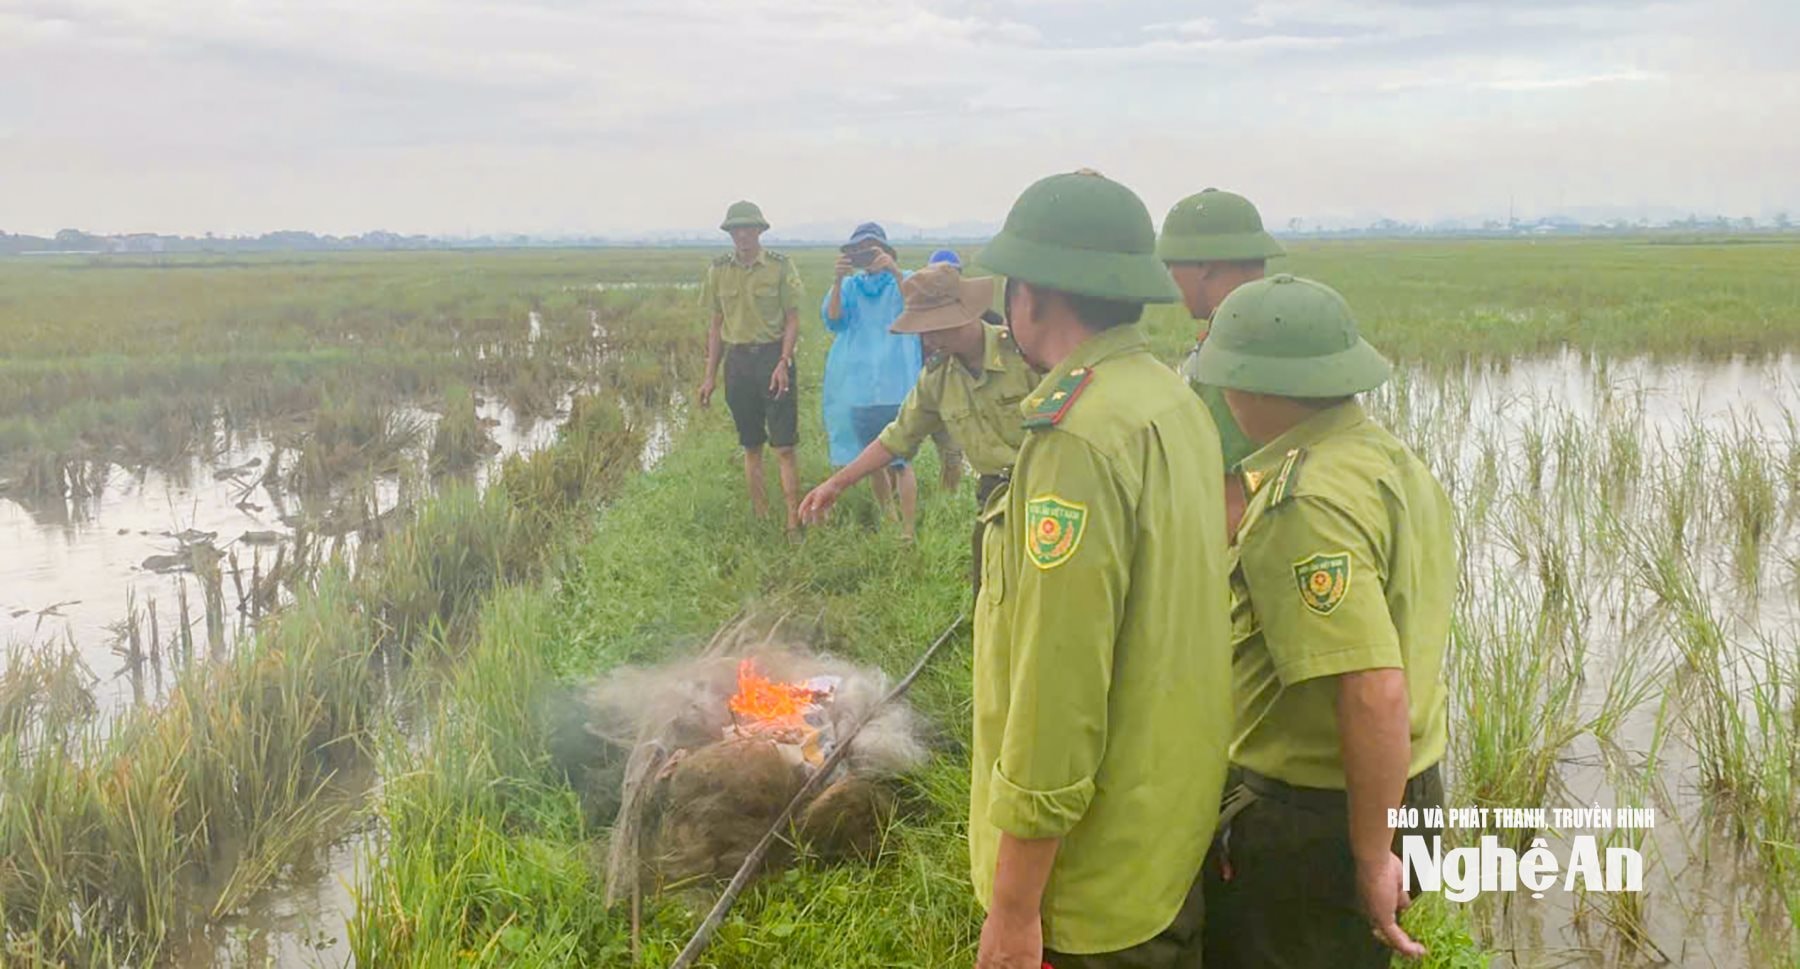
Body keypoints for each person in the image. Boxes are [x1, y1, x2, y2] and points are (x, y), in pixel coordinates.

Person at [967, 169, 1233, 969]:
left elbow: (1059, 691)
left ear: (1033, 295)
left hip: (1090, 890)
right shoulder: (1171, 401)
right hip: (1164, 842)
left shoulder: (1078, 437)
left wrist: (1015, 907)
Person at [1192, 274, 1452, 969]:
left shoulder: (1303, 502)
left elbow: (1372, 688)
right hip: (1409, 785)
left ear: (1254, 385)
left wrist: (1369, 854)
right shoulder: (1389, 460)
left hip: (1322, 815)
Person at [796, 264, 1040, 579]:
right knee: (991, 588)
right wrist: (835, 484)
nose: (928, 339)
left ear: (964, 314)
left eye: (935, 327)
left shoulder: (1024, 354)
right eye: (923, 330)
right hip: (995, 498)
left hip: (1047, 487)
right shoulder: (936, 377)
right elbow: (896, 438)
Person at [1156, 188, 1285, 536]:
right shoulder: (1285, 329)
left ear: (1204, 267)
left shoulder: (1231, 349)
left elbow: (1232, 496)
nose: (1170, 278)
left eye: (1172, 266)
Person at [697, 200, 805, 533]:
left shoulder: (780, 266)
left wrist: (784, 361)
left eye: (748, 228)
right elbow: (716, 326)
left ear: (759, 231)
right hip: (738, 361)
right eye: (736, 229)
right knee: (751, 444)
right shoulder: (718, 271)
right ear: (730, 233)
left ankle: (792, 521)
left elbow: (792, 319)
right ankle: (761, 516)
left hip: (773, 358)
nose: (742, 235)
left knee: (784, 446)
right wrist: (709, 377)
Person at [822, 222, 924, 536]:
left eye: (871, 249)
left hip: (897, 385)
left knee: (902, 461)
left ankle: (908, 530)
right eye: (858, 250)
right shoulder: (850, 286)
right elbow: (833, 319)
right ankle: (889, 518)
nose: (865, 255)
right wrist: (837, 281)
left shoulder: (903, 279)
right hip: (860, 387)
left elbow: (917, 307)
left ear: (886, 250)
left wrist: (894, 271)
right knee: (873, 462)